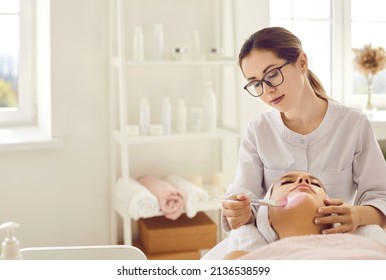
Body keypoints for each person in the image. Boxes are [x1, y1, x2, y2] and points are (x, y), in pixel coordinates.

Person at [222, 26, 386, 237]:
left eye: (272, 74)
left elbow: (382, 196)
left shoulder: (353, 124)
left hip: (337, 246)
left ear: (301, 62)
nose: (267, 90)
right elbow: (247, 201)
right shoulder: (258, 130)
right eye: (255, 84)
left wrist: (357, 215)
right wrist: (238, 212)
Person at [223, 170, 386, 260]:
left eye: (315, 184)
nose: (303, 179)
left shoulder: (364, 246)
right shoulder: (243, 259)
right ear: (267, 217)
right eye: (287, 182)